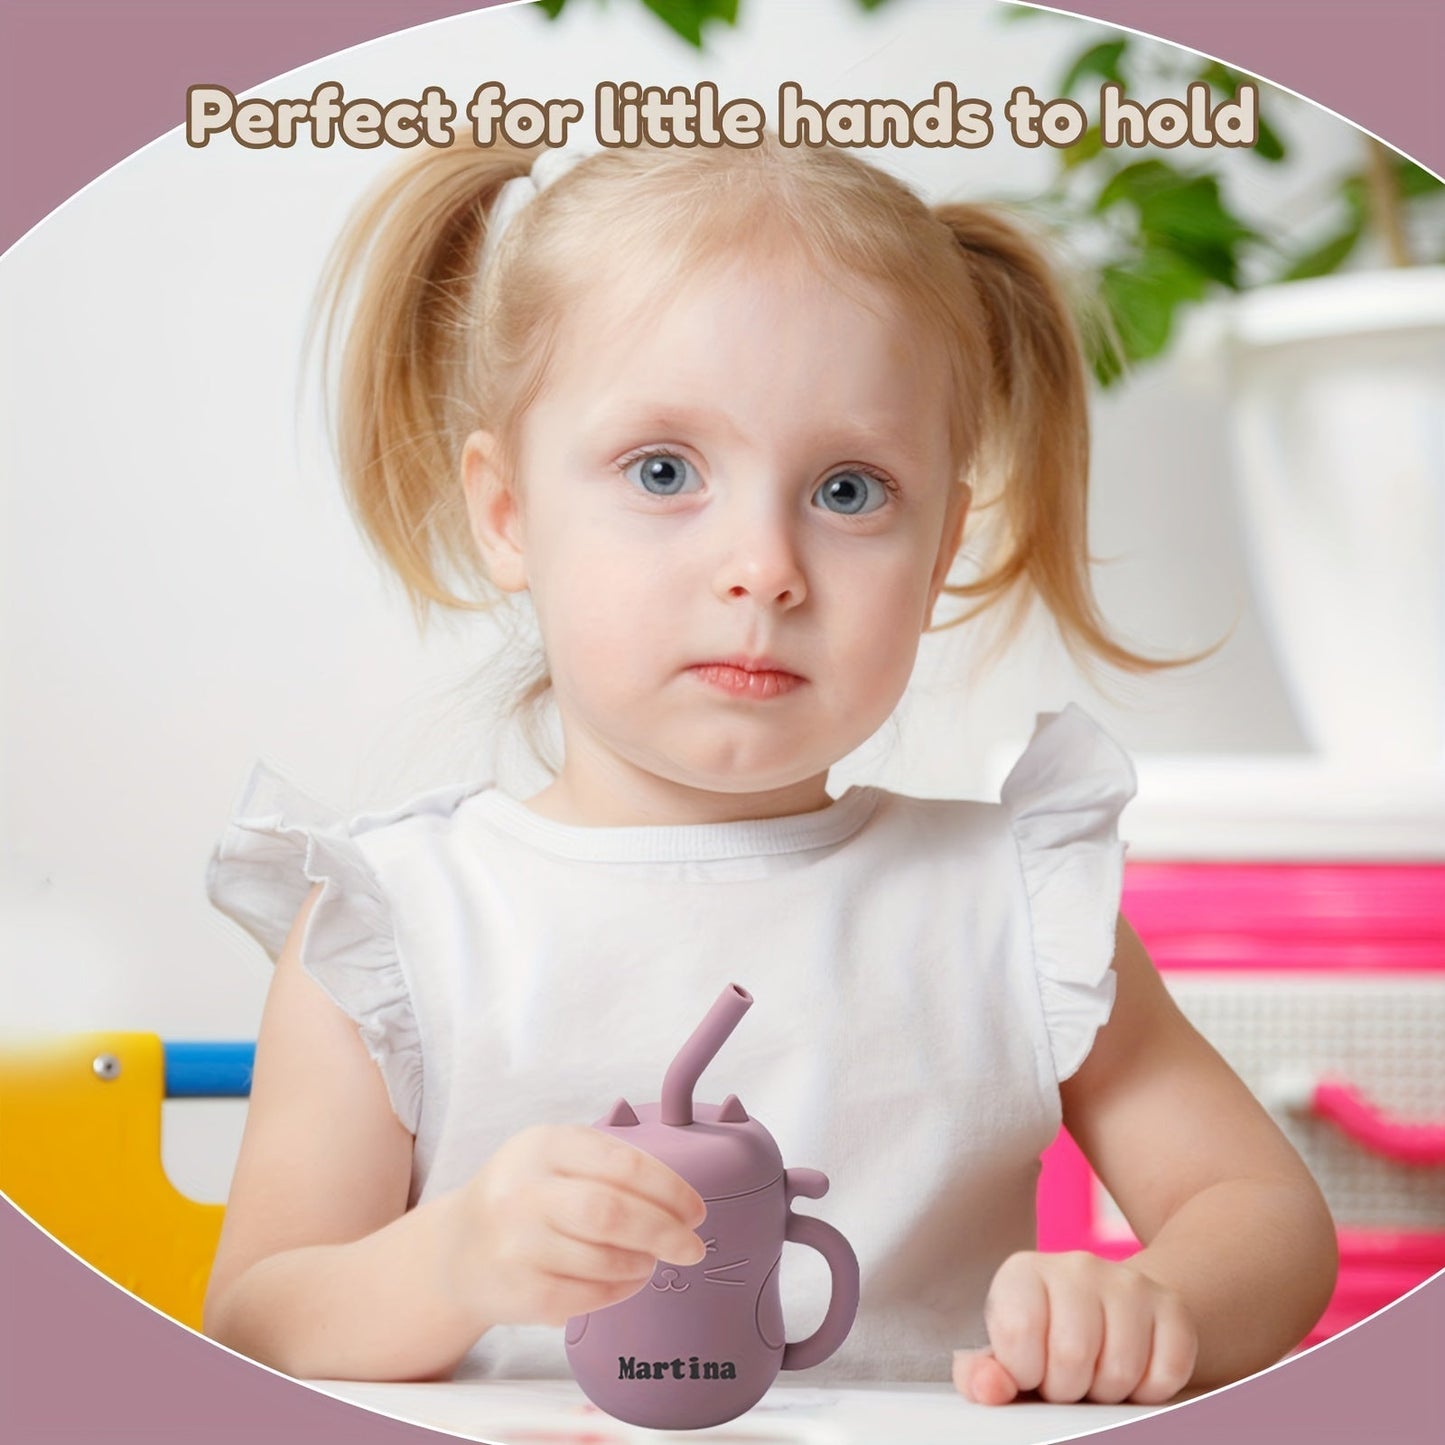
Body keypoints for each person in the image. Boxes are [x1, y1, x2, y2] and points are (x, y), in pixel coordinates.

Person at [203, 137, 1337, 1404]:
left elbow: (1260, 1213)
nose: (765, 565)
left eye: (848, 490)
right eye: (663, 471)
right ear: (505, 508)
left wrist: (1153, 1301)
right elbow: (253, 1322)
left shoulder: (1010, 906)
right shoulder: (394, 927)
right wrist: (449, 1260)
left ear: (942, 540)